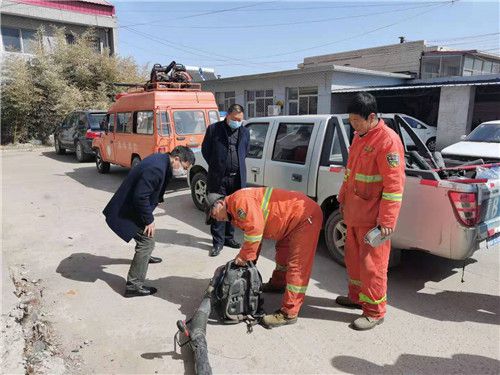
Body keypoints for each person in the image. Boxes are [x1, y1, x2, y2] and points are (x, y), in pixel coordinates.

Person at [205, 187, 323, 328]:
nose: (216, 219)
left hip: (304, 216)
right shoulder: (233, 212)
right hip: (289, 221)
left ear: (219, 203)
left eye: (213, 215)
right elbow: (255, 237)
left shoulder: (239, 202)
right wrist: (250, 260)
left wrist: (244, 256)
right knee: (282, 256)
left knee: (297, 266)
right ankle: (278, 284)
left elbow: (255, 230)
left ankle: (289, 313)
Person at [336, 93, 405, 330]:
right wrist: (342, 197)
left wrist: (387, 220)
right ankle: (357, 298)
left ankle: (374, 311)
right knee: (353, 262)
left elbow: (394, 186)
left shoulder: (388, 141)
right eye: (351, 120)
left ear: (372, 117)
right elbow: (351, 172)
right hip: (354, 214)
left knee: (371, 266)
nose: (353, 125)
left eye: (356, 120)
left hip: (373, 220)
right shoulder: (359, 137)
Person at [103, 146, 195, 298]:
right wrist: (149, 220)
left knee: (147, 238)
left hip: (131, 206)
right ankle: (133, 285)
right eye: (184, 168)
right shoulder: (157, 168)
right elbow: (140, 197)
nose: (183, 172)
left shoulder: (162, 160)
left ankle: (144, 259)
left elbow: (153, 186)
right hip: (127, 209)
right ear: (177, 159)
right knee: (147, 241)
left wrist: (158, 198)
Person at [202, 104, 250, 257]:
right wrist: (217, 165)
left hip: (237, 178)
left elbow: (245, 151)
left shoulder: (244, 131)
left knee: (233, 209)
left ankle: (229, 238)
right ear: (228, 116)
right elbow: (206, 150)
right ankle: (218, 242)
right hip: (219, 178)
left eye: (240, 120)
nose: (238, 122)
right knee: (218, 209)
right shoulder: (214, 129)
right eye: (235, 119)